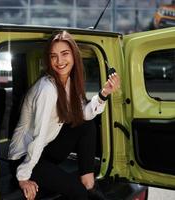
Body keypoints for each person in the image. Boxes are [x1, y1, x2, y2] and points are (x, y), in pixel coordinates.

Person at [8, 30, 120, 200]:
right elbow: (38, 136)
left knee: (86, 124)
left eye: (64, 54)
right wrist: (23, 177)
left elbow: (84, 114)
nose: (59, 61)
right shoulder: (47, 89)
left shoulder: (69, 82)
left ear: (74, 56)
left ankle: (88, 180)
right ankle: (85, 190)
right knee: (78, 193)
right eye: (54, 56)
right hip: (24, 157)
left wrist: (104, 93)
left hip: (46, 148)